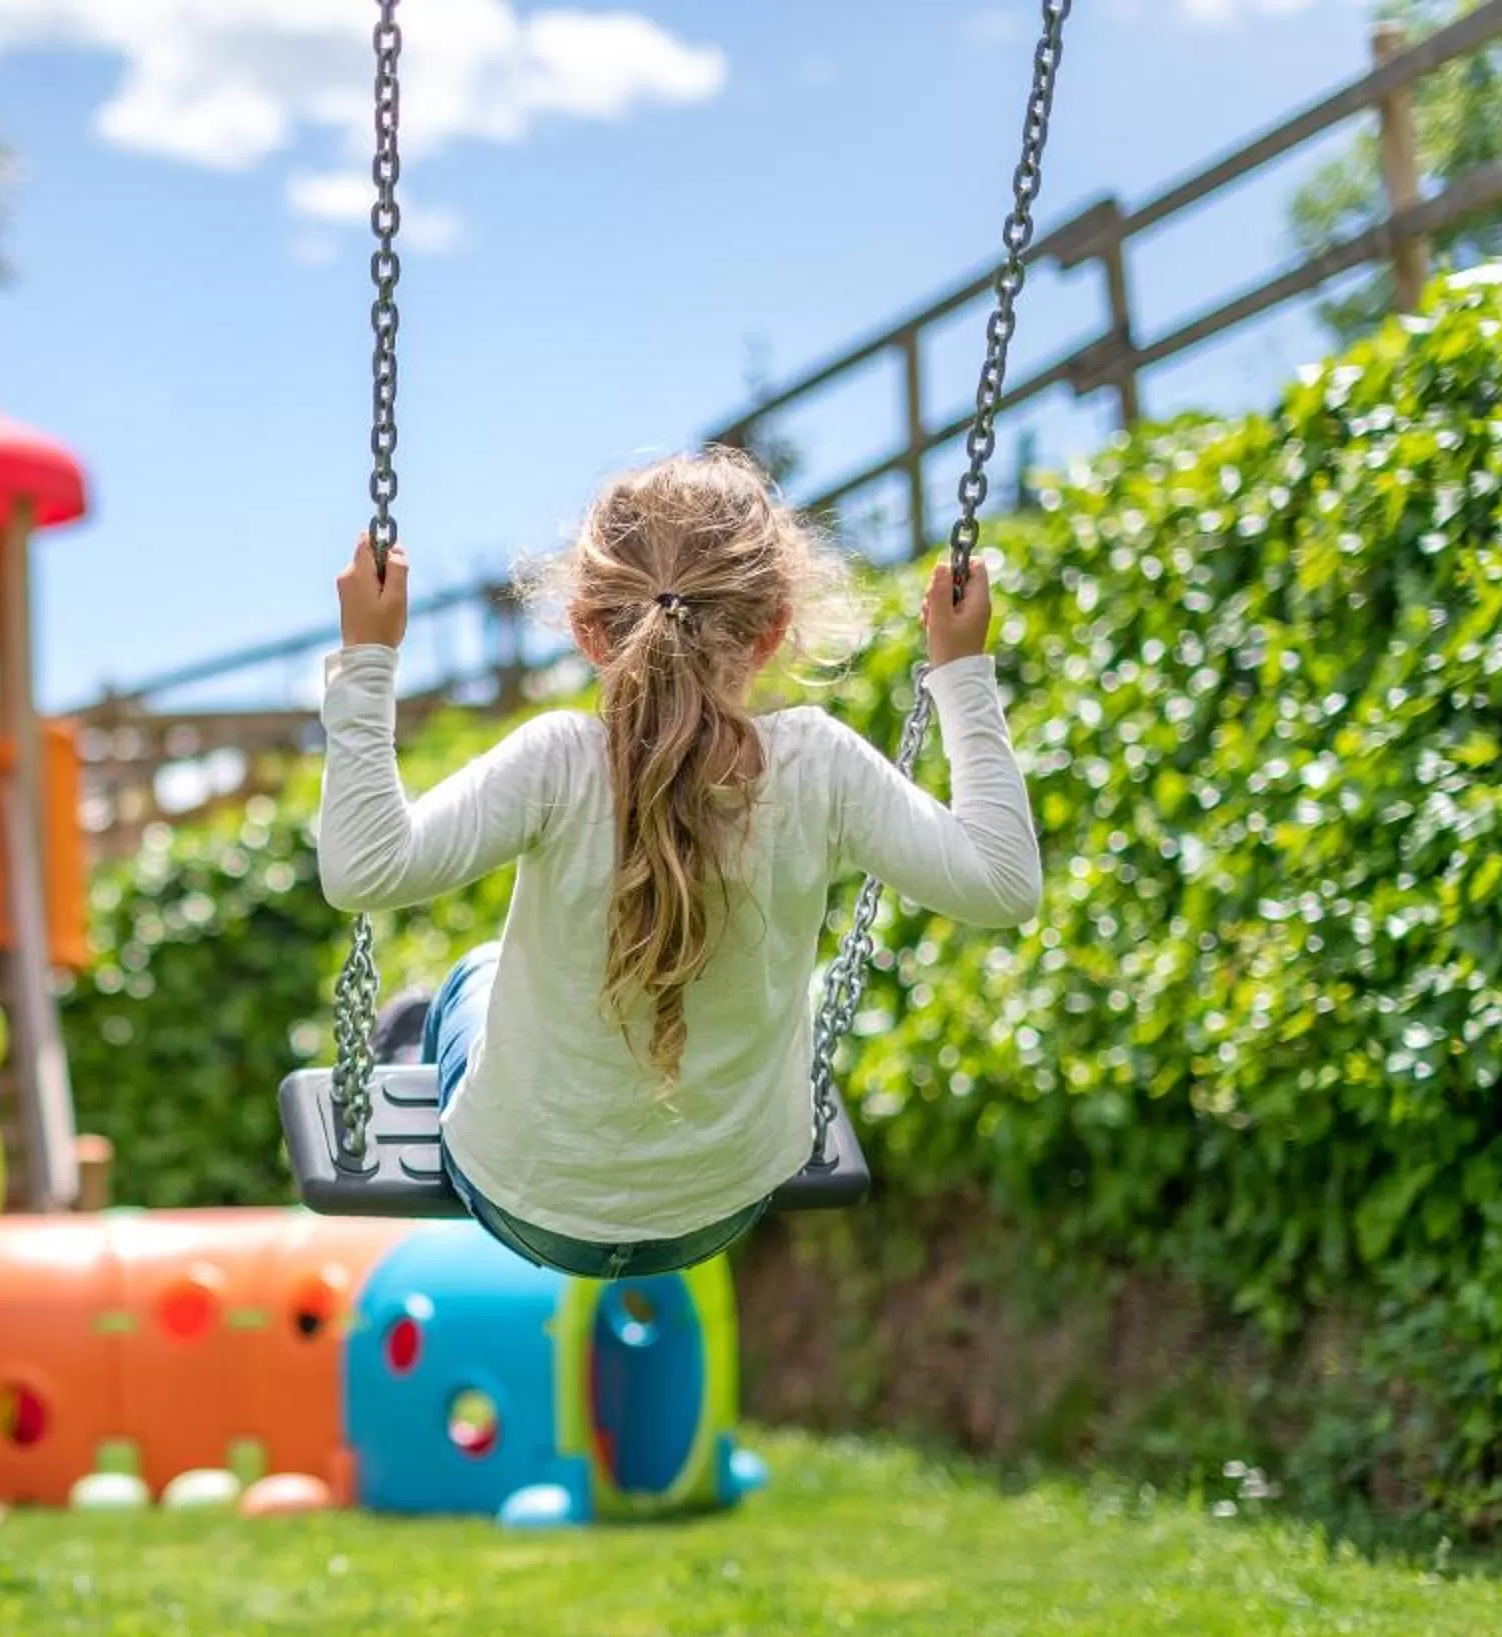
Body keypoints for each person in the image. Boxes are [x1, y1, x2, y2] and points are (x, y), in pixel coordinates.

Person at [316, 448, 1043, 1280]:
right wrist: (962, 670)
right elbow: (1005, 886)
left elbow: (362, 871)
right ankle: (424, 1038)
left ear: (588, 630)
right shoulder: (818, 764)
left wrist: (367, 658)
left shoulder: (557, 761)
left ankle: (412, 1041)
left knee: (471, 976)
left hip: (523, 1200)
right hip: (722, 1206)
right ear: (773, 629)